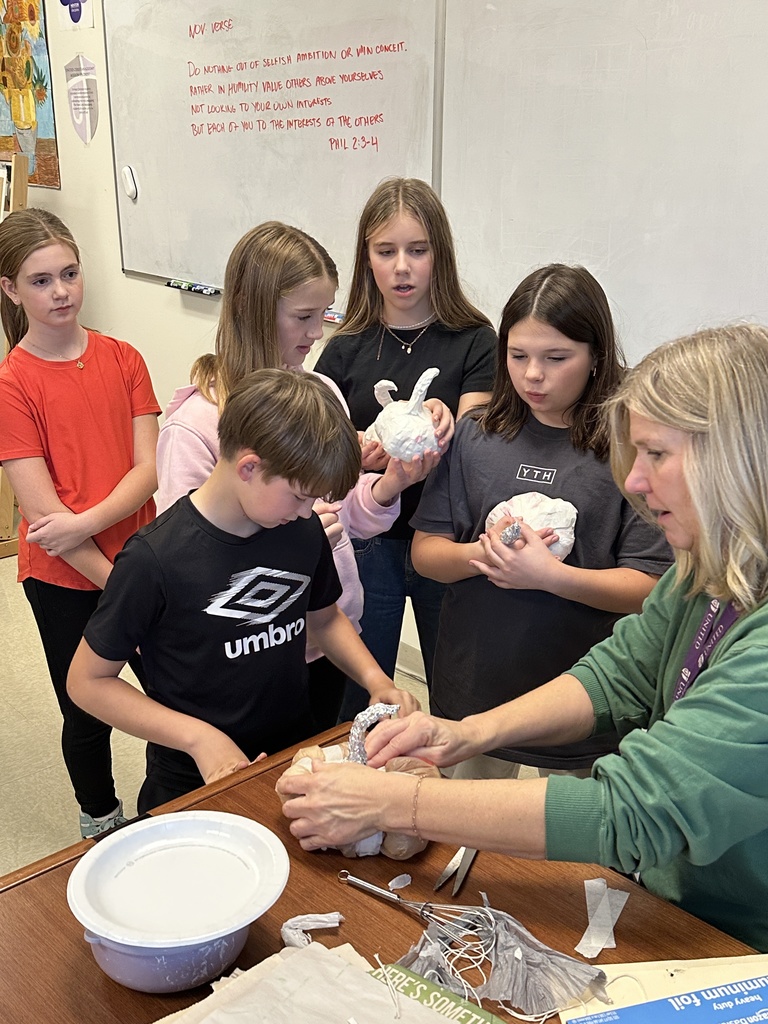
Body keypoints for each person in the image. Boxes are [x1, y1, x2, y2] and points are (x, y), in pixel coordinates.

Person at [279, 323, 768, 952]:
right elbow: (619, 674)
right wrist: (466, 734)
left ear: (735, 455)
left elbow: (633, 811)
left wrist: (396, 803)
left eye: (656, 455)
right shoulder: (713, 564)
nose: (636, 483)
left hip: (737, 940)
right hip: (674, 895)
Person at [68, 369, 420, 813]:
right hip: (193, 775)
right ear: (249, 467)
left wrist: (375, 680)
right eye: (299, 495)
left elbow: (325, 616)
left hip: (293, 754)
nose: (309, 510)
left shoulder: (300, 528)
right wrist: (199, 739)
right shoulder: (153, 559)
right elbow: (87, 682)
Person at [155, 222, 445, 729]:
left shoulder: (321, 392)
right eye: (304, 317)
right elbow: (185, 558)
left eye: (323, 315)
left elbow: (338, 504)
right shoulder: (195, 427)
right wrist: (295, 530)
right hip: (245, 646)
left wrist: (390, 483)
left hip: (326, 633)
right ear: (254, 310)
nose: (317, 334)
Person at [410, 265, 672, 777]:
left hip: (580, 695)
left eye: (556, 358)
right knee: (466, 834)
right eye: (518, 355)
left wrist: (551, 577)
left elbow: (649, 587)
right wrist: (480, 556)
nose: (533, 375)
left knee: (572, 846)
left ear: (596, 356)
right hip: (477, 685)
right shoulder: (477, 436)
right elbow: (425, 555)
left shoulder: (625, 449)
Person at [0, 208, 160, 839]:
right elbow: (45, 520)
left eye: (69, 273)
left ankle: (166, 804)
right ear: (10, 289)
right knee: (86, 705)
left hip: (138, 560)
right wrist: (108, 569)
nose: (61, 291)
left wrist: (92, 528)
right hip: (64, 577)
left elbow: (147, 471)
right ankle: (101, 820)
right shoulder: (13, 382)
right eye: (41, 281)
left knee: (172, 692)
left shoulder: (124, 358)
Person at [315, 178, 496, 719]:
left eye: (417, 251)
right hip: (371, 541)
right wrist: (357, 452)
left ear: (439, 253)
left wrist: (452, 422)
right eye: (385, 251)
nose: (402, 268)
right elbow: (323, 453)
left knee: (458, 690)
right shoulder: (345, 347)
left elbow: (480, 439)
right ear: (365, 257)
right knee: (363, 688)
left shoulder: (473, 338)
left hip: (446, 535)